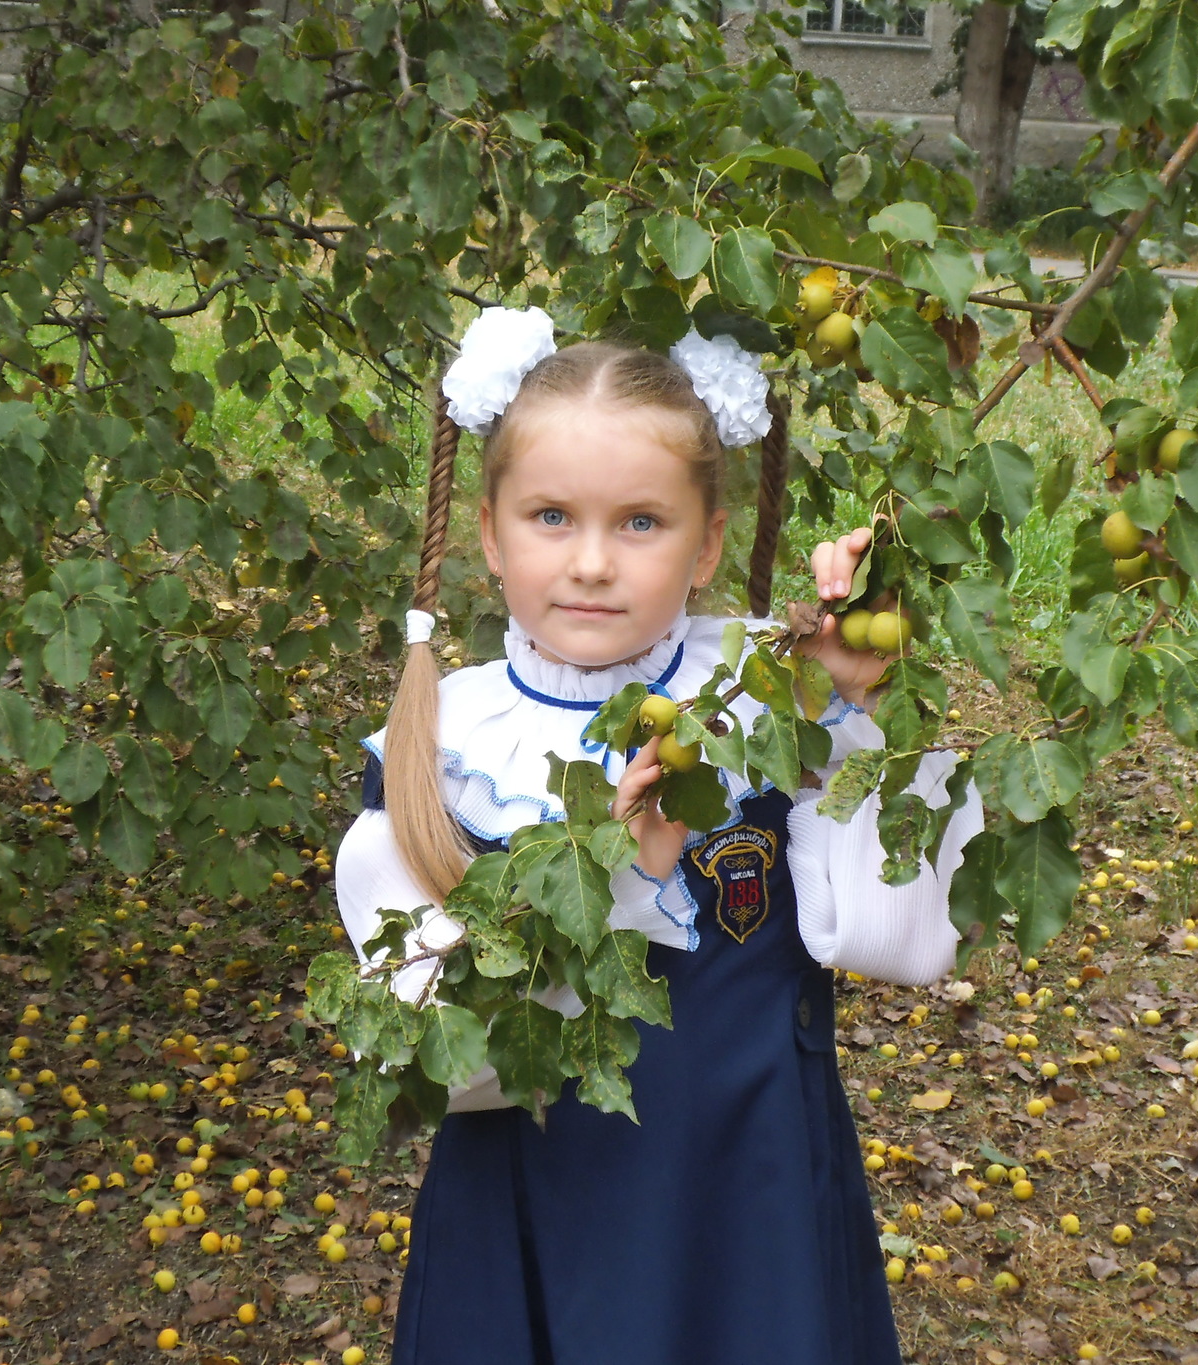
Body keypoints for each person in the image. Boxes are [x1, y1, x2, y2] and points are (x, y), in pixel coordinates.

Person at [333, 307, 984, 1365]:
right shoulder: (440, 748)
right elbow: (437, 1066)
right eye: (550, 517)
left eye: (640, 522)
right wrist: (626, 884)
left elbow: (900, 942)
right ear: (489, 534)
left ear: (706, 544)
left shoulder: (765, 701)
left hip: (749, 1204)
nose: (591, 562)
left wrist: (861, 713)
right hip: (538, 1214)